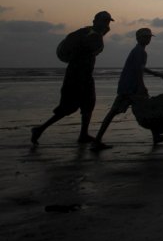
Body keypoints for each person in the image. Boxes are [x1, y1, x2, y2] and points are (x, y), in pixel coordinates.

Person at [31, 11, 113, 146]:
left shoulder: (88, 32)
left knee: (88, 104)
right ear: (95, 21)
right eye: (104, 21)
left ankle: (83, 134)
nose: (107, 24)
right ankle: (39, 129)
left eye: (108, 21)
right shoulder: (92, 35)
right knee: (68, 107)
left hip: (85, 75)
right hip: (76, 76)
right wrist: (100, 36)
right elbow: (90, 49)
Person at [90, 28, 163, 151]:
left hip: (128, 86)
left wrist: (155, 74)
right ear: (138, 38)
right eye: (145, 37)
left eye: (149, 37)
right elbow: (138, 71)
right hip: (131, 88)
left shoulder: (139, 51)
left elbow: (141, 68)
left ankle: (97, 140)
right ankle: (97, 141)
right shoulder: (140, 52)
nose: (148, 39)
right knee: (145, 111)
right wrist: (142, 87)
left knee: (141, 111)